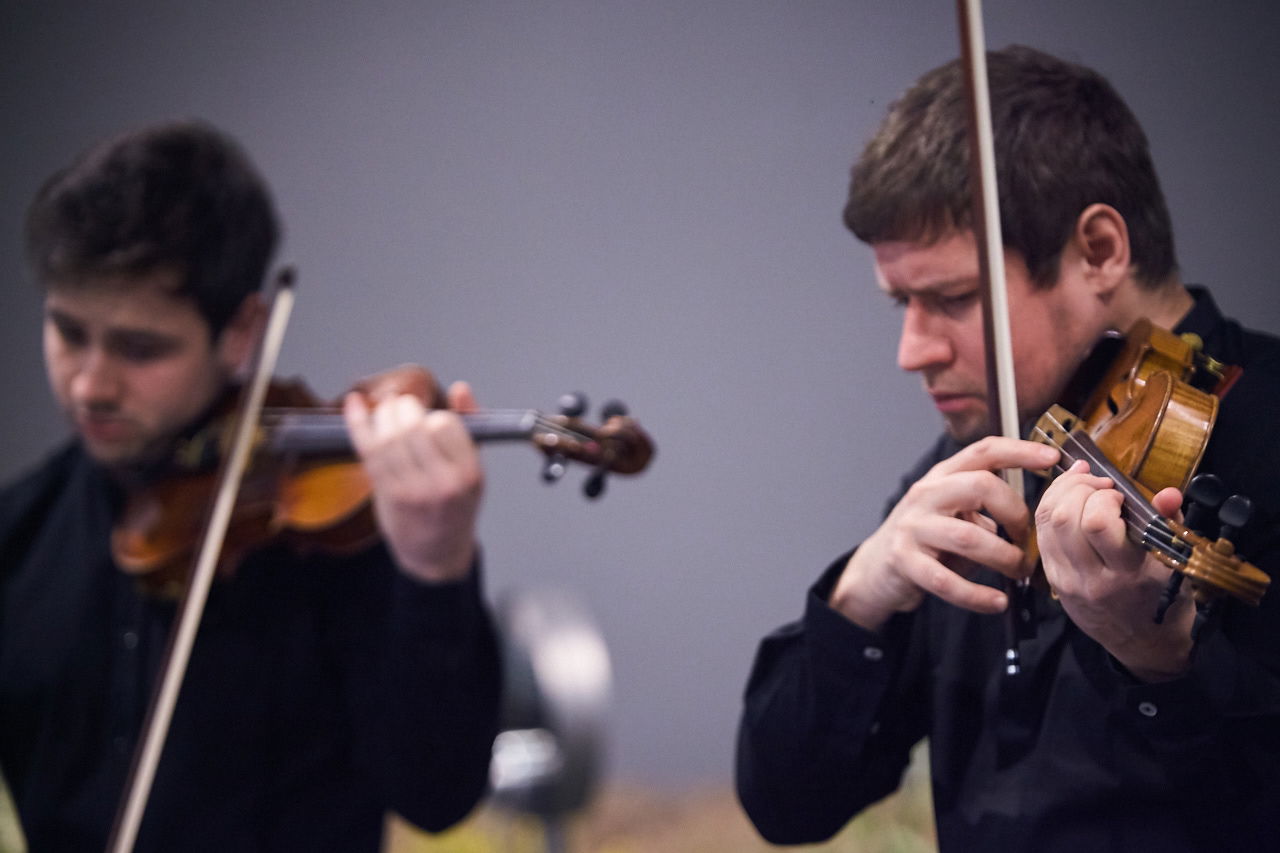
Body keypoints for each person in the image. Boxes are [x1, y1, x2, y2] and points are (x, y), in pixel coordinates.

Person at [736, 45, 1280, 851]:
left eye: (954, 298)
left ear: (1100, 250)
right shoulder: (991, 456)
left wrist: (1163, 664)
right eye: (900, 303)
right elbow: (788, 803)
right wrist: (862, 594)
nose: (912, 350)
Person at [0, 120, 502, 851]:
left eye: (141, 348)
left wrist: (436, 567)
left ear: (242, 332)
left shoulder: (325, 534)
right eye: (68, 332)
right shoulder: (17, 538)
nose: (90, 385)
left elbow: (437, 794)